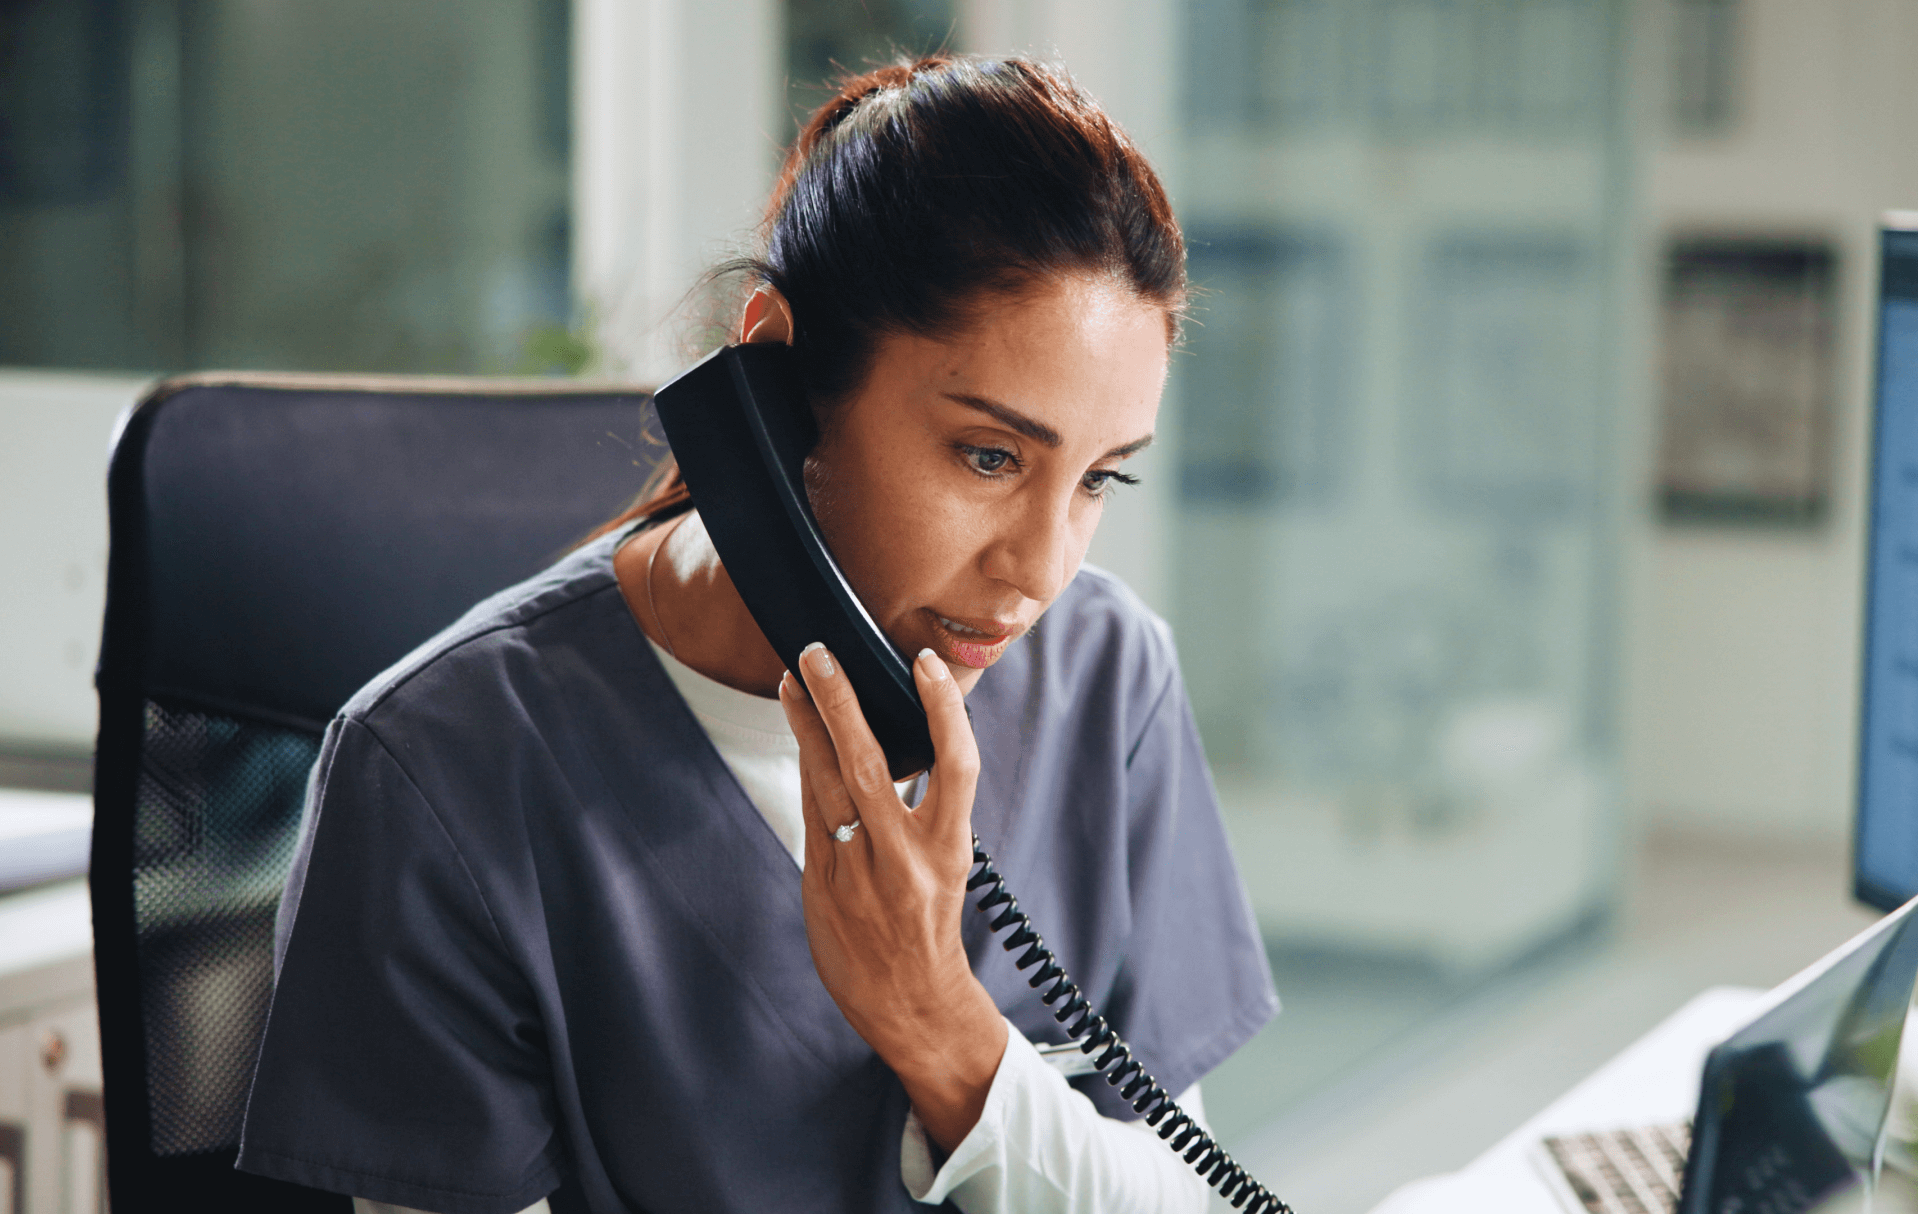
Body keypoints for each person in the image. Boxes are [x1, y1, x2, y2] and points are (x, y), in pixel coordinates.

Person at [237, 54, 1277, 1214]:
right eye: (990, 456)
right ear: (779, 366)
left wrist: (940, 1027)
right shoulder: (443, 772)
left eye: (1098, 481)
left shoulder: (1108, 680)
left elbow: (1192, 1192)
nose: (1041, 570)